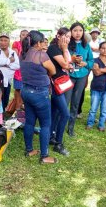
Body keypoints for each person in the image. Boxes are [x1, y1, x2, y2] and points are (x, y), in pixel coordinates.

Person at [20, 30, 56, 164]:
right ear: (39, 43)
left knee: (30, 121)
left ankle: (29, 150)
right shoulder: (42, 55)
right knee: (46, 124)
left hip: (26, 91)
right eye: (43, 42)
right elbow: (53, 71)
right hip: (40, 93)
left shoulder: (23, 54)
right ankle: (44, 156)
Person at [46, 27, 72, 156]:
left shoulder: (60, 49)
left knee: (54, 112)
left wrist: (65, 50)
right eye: (66, 36)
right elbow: (66, 65)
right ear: (58, 36)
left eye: (69, 37)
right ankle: (58, 143)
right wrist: (65, 49)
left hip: (60, 85)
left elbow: (69, 62)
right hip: (55, 86)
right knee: (65, 114)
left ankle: (50, 136)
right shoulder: (53, 48)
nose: (67, 39)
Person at [65, 22, 94, 137]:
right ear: (71, 32)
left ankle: (71, 127)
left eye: (80, 30)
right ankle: (60, 126)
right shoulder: (67, 44)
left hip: (81, 77)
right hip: (69, 76)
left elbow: (91, 61)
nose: (78, 33)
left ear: (83, 32)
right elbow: (62, 59)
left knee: (75, 103)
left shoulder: (86, 45)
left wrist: (85, 63)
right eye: (75, 30)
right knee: (65, 102)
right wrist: (72, 60)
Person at [86, 42, 106, 132]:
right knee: (93, 108)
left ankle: (101, 125)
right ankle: (90, 123)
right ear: (99, 49)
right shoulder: (94, 60)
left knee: (104, 109)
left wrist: (102, 69)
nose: (105, 50)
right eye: (103, 48)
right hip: (96, 87)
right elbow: (96, 73)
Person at [0, 33, 20, 111]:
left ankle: (1, 118)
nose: (3, 42)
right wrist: (9, 61)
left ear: (8, 42)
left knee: (5, 100)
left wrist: (6, 65)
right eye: (1, 40)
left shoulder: (12, 52)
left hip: (8, 81)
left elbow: (17, 65)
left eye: (5, 40)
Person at [12, 30, 28, 111]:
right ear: (20, 36)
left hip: (27, 72)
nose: (25, 36)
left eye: (26, 35)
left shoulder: (31, 46)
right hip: (18, 71)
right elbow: (15, 57)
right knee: (18, 90)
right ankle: (17, 108)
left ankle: (23, 108)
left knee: (25, 91)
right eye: (23, 35)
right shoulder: (16, 44)